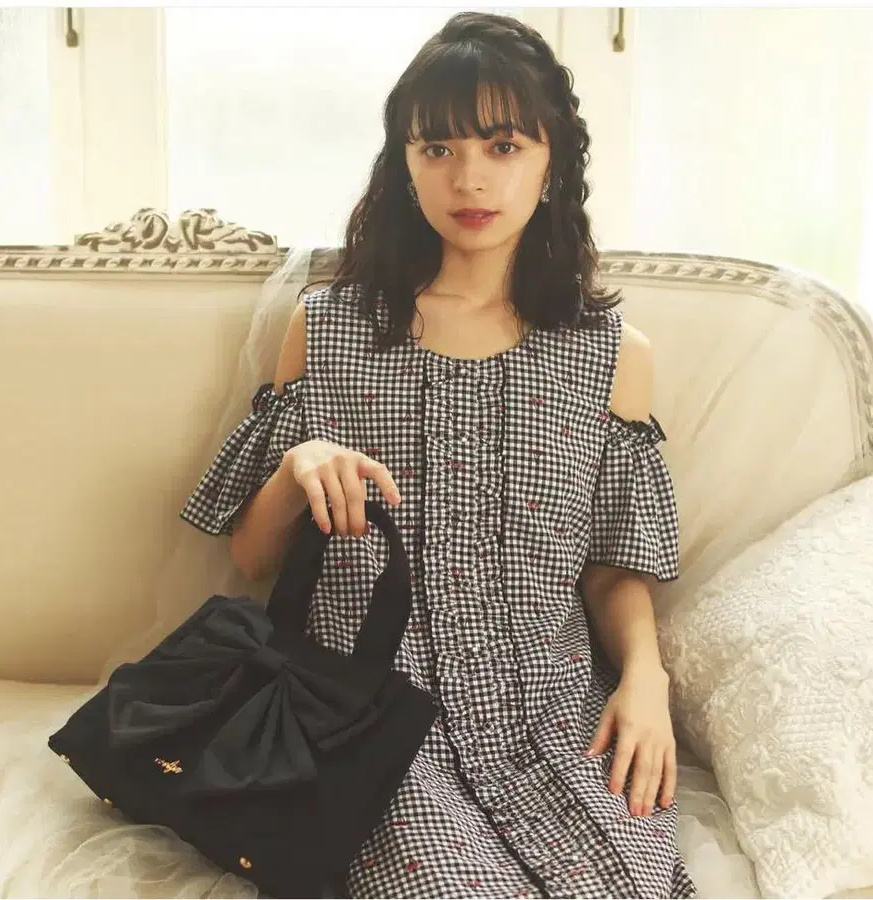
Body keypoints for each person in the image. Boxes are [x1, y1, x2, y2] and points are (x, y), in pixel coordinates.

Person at [180, 11, 698, 899]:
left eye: (503, 146)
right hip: (371, 721)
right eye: (438, 149)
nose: (469, 178)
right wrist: (300, 464)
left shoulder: (612, 355)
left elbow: (613, 568)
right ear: (404, 163)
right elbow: (253, 558)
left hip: (551, 715)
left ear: (552, 162)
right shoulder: (329, 329)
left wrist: (645, 681)